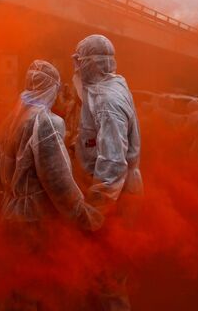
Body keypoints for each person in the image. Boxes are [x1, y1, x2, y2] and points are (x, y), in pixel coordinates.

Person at [72, 34, 143, 311]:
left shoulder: (107, 101)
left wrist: (94, 210)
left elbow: (113, 164)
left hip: (115, 197)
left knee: (108, 276)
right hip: (118, 193)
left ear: (93, 64)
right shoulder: (109, 86)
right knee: (99, 272)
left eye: (80, 63)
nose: (76, 70)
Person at [0, 59, 103, 230]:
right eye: (58, 90)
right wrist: (84, 215)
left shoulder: (12, 119)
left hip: (10, 214)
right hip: (35, 221)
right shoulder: (45, 122)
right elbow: (57, 180)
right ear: (52, 88)